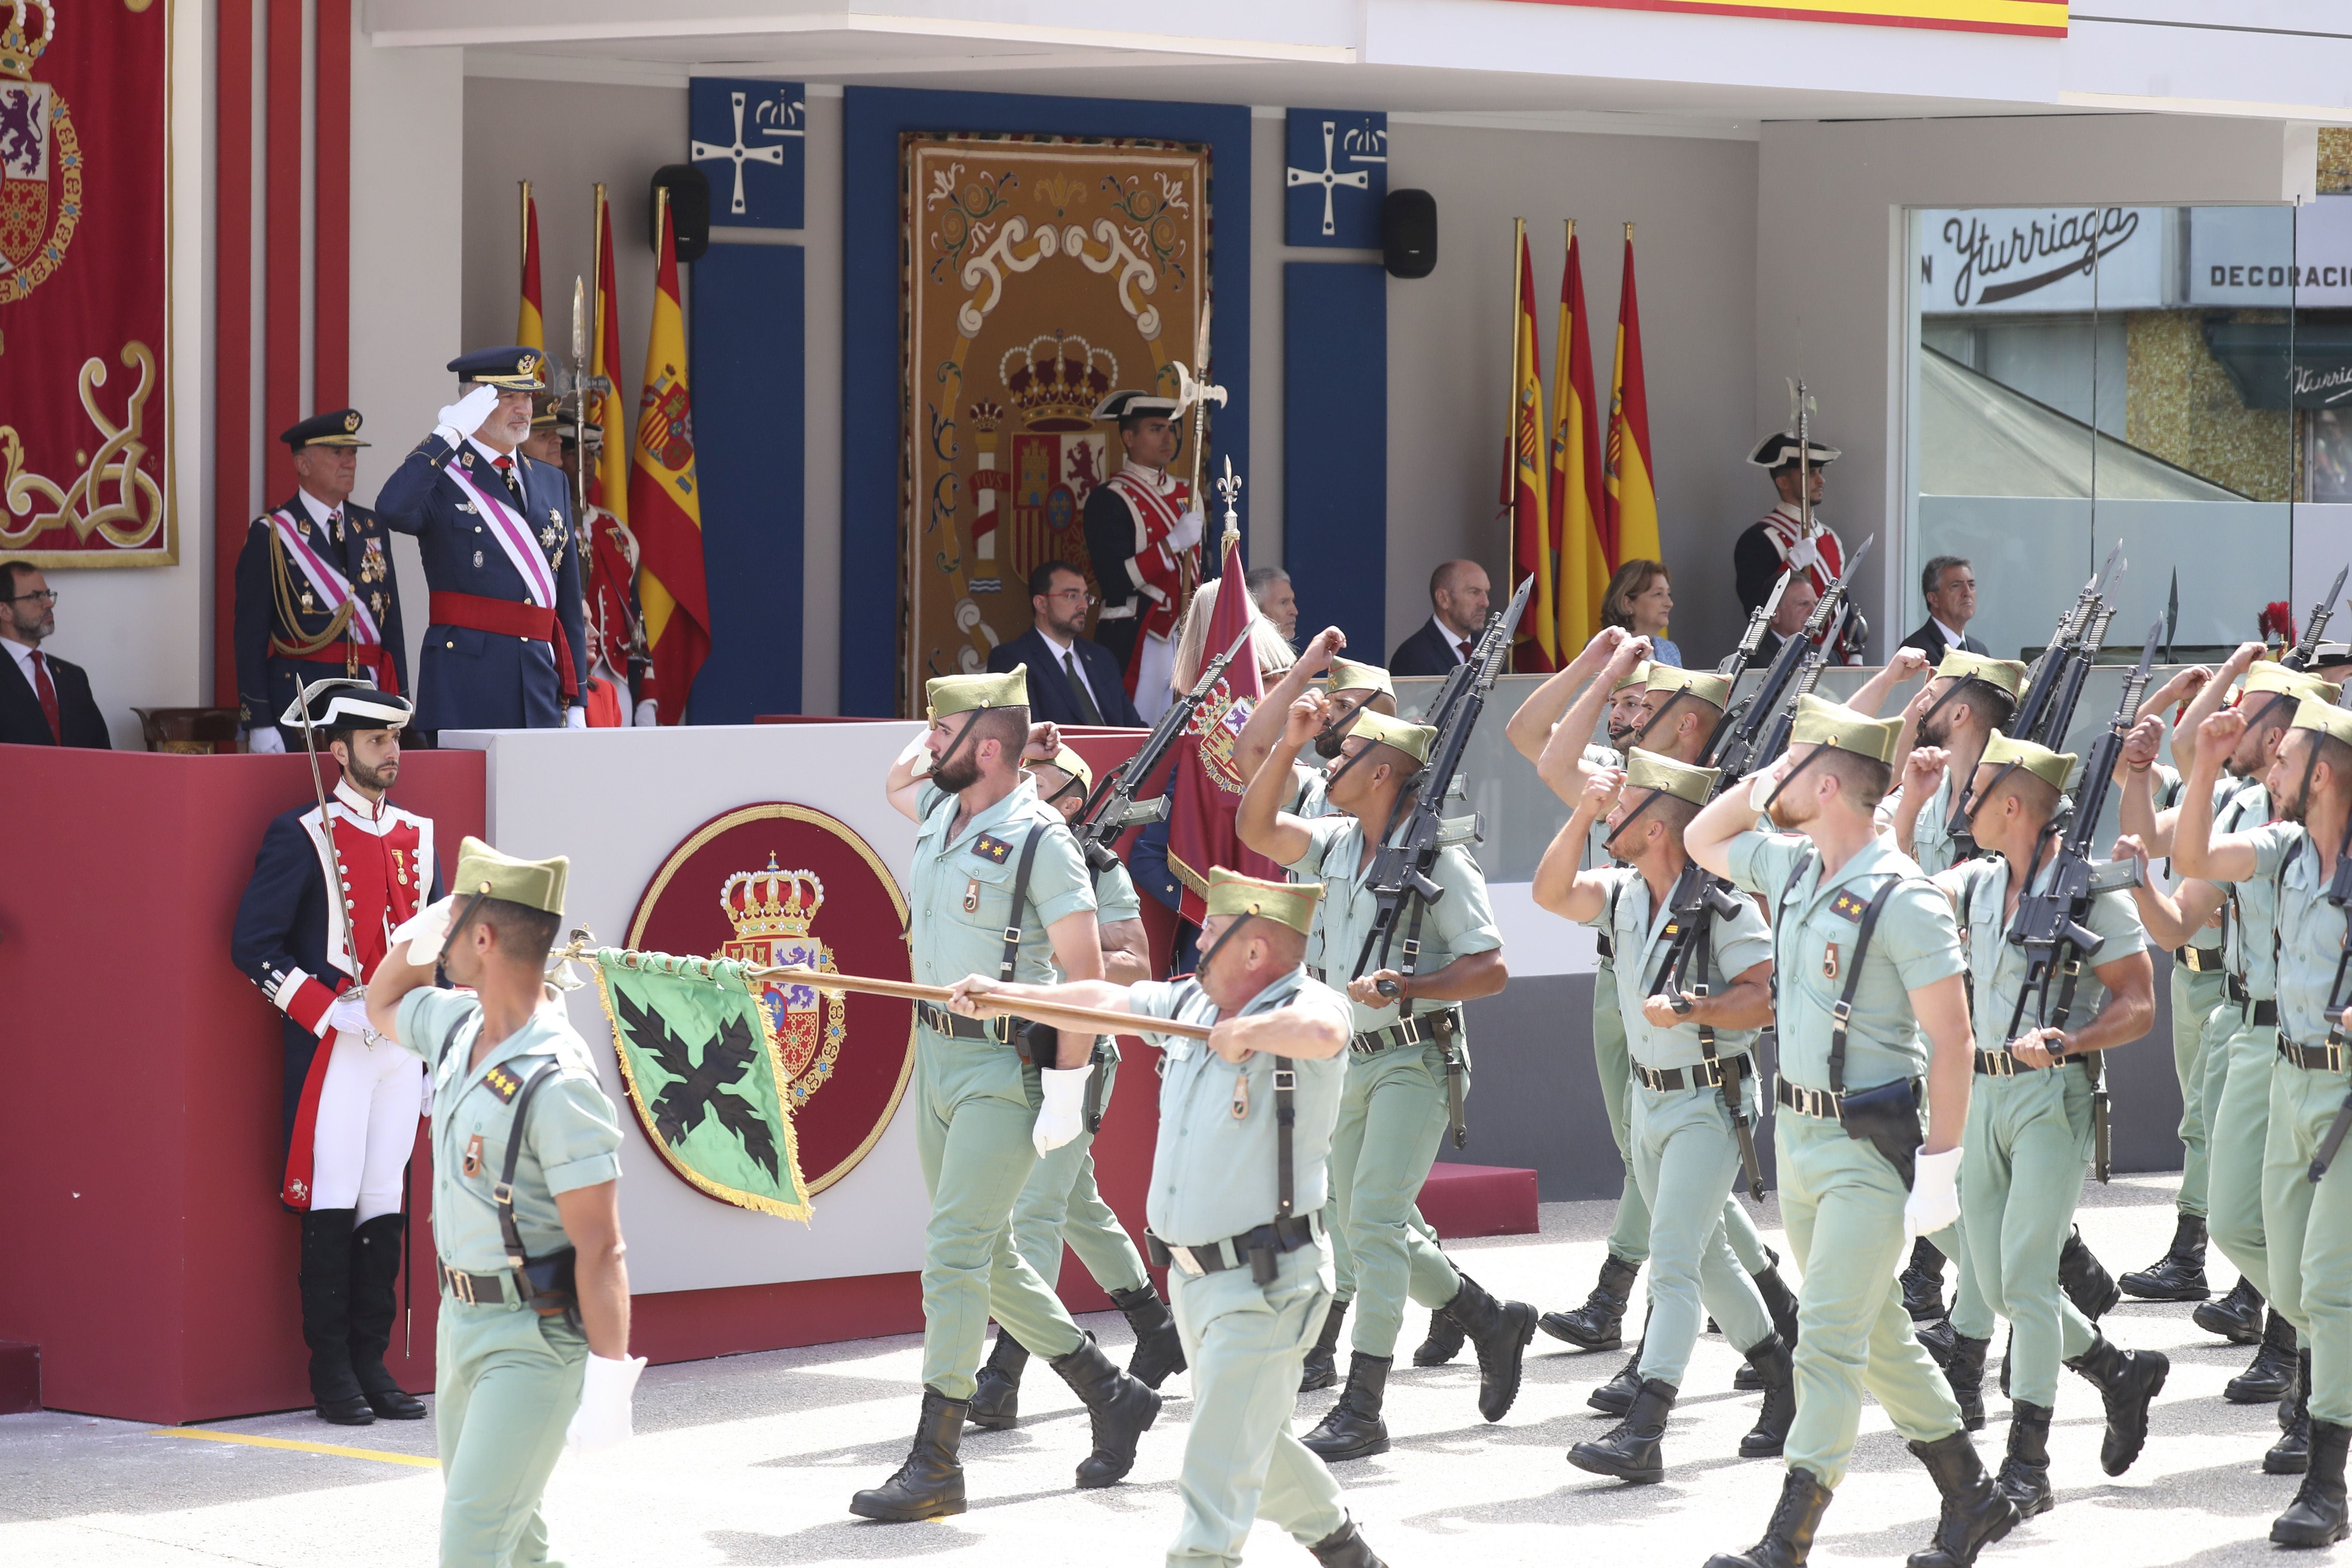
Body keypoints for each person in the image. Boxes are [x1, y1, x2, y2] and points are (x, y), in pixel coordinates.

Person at [946, 868, 1384, 1567]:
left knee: (1210, 1478)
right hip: (1194, 1282)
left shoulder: (1306, 1001)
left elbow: (1325, 1029)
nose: (1196, 938)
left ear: (1254, 950)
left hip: (1266, 1283)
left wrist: (1254, 1029)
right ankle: (1350, 1554)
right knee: (1253, 1445)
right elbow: (1101, 997)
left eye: (1211, 931)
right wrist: (1010, 995)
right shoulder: (1189, 998)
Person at [1688, 694, 2015, 1568]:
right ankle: (1972, 1497)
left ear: (1826, 782)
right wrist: (1769, 778)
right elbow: (1701, 839)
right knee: (1875, 1336)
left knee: (1826, 1342)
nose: (1775, 781)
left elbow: (1954, 1038)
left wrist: (1941, 1166)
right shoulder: (1795, 869)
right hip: (1799, 1141)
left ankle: (1786, 1543)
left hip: (1870, 1149)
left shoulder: (1903, 896)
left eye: (1793, 767)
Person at [859, 668, 1161, 1521]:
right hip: (937, 1065)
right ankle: (1109, 1390)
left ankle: (936, 1463)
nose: (925, 750)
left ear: (980, 749)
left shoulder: (1041, 841)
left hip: (1003, 1071)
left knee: (952, 1256)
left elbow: (1088, 974)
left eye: (941, 736)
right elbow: (896, 776)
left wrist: (1067, 1091)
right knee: (986, 1258)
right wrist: (980, 739)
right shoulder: (941, 812)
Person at [1239, 698, 1534, 1460]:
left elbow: (1492, 969)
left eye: (1340, 756)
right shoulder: (1338, 843)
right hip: (1344, 1062)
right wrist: (1289, 744)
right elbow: (1255, 827)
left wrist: (1410, 984)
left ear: (1379, 772)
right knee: (1362, 1225)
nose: (1327, 764)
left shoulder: (1438, 857)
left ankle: (1363, 1403)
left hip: (1413, 1056)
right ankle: (1487, 1316)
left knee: (1370, 1222)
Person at [1898, 730, 2164, 1516]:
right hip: (1979, 1094)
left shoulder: (2092, 890)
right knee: (1994, 1279)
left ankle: (2028, 1461)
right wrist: (1909, 796)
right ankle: (2119, 1372)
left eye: (1973, 789)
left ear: (2011, 803)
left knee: (2022, 1279)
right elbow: (1898, 891)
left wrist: (2070, 1039)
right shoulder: (1979, 882)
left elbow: (2139, 1002)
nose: (1964, 803)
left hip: (2052, 1097)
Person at [361, 836, 643, 1566]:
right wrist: (420, 931)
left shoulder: (559, 1081)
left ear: (482, 938)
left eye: (450, 925)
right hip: (462, 1326)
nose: (440, 942)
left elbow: (601, 1245)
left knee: (474, 1541)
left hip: (532, 1339)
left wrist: (610, 1377)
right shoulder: (459, 1028)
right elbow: (383, 997)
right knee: (516, 1543)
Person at [1534, 750, 1796, 1482]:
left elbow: (1764, 995)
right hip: (1647, 1098)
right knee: (1706, 1257)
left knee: (1674, 1263)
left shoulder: (1726, 903)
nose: (1611, 814)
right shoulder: (1622, 893)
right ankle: (1783, 1378)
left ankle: (1644, 1427)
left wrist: (1697, 1005)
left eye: (1623, 808)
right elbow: (1549, 891)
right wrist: (1583, 810)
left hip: (1709, 1099)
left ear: (1657, 826)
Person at [2123, 652, 2336, 1434]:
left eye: (2260, 730)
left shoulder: (2301, 829)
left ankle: (2308, 1373)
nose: (2240, 734)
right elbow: (2180, 872)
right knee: (2247, 1221)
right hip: (2250, 1028)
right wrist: (2156, 774)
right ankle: (2309, 1346)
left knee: (2298, 1226)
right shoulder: (2257, 815)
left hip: (2302, 1042)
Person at [230, 681, 439, 1427]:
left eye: (397, 740)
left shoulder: (420, 832)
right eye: (378, 741)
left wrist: (435, 1054)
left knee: (385, 1200)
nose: (393, 754)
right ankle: (333, 1373)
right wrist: (328, 1011)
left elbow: (434, 957)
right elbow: (252, 947)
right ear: (338, 749)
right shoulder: (304, 832)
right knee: (334, 1199)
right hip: (338, 1049)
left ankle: (373, 1361)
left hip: (402, 1046)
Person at [2174, 695, 2352, 1549]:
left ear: (2323, 773)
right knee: (2262, 1247)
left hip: (2350, 1096)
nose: (2269, 766)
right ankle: (2327, 1386)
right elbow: (2195, 855)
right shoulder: (2283, 852)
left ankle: (2326, 1481)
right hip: (2288, 1080)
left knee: (2324, 1283)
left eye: (2286, 760)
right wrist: (2205, 760)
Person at [968, 746, 1184, 1428]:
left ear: (1070, 802)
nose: (1022, 782)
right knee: (1073, 1202)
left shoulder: (1097, 868)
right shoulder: (992, 850)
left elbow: (1132, 964)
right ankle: (1156, 1329)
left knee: (1033, 1212)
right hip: (1004, 1056)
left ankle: (1003, 1374)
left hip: (1074, 1055)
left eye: (1040, 776)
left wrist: (1059, 976)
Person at [374, 346, 588, 735]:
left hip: (540, 683)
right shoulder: (441, 476)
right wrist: (448, 435)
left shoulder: (550, 480)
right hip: (465, 683)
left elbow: (567, 600)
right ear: (474, 402)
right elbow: (391, 509)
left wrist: (578, 700)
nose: (524, 408)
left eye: (527, 395)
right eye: (509, 397)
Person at [2110, 668, 2229, 1307]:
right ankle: (2196, 1254)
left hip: (2228, 982)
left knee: (2213, 1123)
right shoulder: (2187, 786)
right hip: (2189, 973)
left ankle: (2193, 1254)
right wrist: (2168, 694)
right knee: (2197, 1123)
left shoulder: (2241, 800)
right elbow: (2131, 758)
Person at [232, 411, 409, 753]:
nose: (350, 462)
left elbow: (392, 626)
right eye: (337, 453)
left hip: (367, 697)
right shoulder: (273, 534)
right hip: (301, 704)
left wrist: (400, 703)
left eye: (353, 453)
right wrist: (260, 722)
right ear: (303, 464)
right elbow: (249, 638)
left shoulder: (371, 527)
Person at [1083, 390, 1204, 717]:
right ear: (1129, 437)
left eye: (1171, 428)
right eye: (1155, 429)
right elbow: (1114, 581)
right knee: (1138, 734)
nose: (1168, 437)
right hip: (1139, 633)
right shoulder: (1109, 499)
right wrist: (1171, 544)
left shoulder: (1187, 493)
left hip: (1187, 633)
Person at [1733, 432, 1865, 666]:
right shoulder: (1758, 539)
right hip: (1782, 661)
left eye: (1820, 473)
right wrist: (1792, 564)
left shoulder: (1830, 538)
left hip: (1832, 659)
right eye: (1810, 473)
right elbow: (1758, 611)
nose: (1820, 480)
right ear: (1782, 482)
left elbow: (1840, 603)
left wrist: (1854, 654)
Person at [989, 560, 1146, 728]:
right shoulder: (1012, 660)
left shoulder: (1102, 658)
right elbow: (1027, 736)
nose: (1084, 605)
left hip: (1121, 754)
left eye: (1086, 597)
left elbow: (1134, 728)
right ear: (1041, 604)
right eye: (1072, 596)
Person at [0, 562, 108, 748]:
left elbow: (102, 752)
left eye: (47, 594)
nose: (49, 603)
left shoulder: (74, 678)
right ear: (5, 611)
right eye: (35, 596)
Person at [1389, 560, 1492, 677]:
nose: (1485, 603)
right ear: (1443, 599)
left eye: (1487, 593)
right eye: (1474, 592)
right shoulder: (1412, 656)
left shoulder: (1489, 648)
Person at [1899, 558, 1989, 665]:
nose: (1967, 592)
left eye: (1971, 585)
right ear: (1934, 599)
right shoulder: (1916, 651)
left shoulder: (1979, 650)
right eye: (1956, 586)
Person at [1600, 559, 1682, 668]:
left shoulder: (1670, 649)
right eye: (1658, 594)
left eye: (1669, 594)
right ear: (1628, 603)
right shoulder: (1603, 648)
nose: (1670, 604)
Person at [1745, 574, 1821, 671]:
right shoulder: (1753, 662)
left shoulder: (1830, 657)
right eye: (1804, 604)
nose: (1814, 611)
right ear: (1775, 614)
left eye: (1816, 604)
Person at [1248, 565, 1298, 644]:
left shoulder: (1294, 657)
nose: (1295, 612)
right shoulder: (1240, 656)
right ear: (1257, 610)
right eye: (1284, 603)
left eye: (1293, 601)